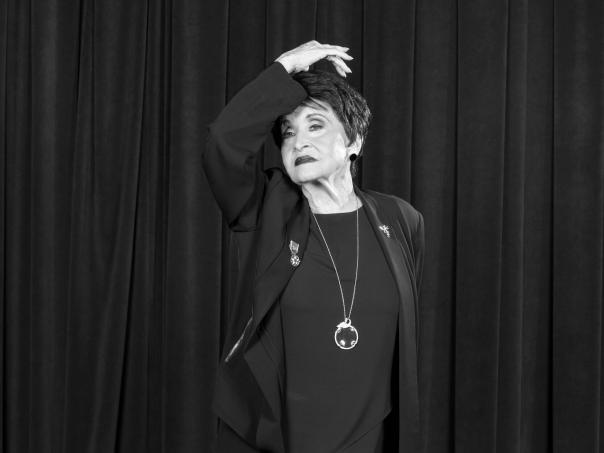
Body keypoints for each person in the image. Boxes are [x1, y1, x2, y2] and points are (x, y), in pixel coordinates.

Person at [203, 41, 424, 453]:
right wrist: (284, 68)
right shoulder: (264, 209)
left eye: (315, 125)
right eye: (288, 132)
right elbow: (223, 143)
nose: (298, 142)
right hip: (281, 439)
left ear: (355, 141)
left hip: (370, 440)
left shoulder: (401, 220)